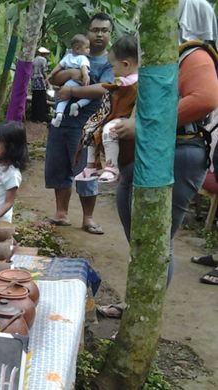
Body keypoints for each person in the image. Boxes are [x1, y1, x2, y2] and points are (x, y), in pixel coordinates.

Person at [108, 0, 218, 291]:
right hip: (157, 150)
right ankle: (134, 305)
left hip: (181, 150)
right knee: (144, 236)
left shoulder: (194, 54)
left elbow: (205, 98)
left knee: (156, 239)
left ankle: (142, 310)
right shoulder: (170, 57)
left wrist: (143, 124)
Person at [45, 13, 115, 235]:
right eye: (95, 30)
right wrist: (74, 73)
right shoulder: (71, 54)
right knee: (58, 163)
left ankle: (88, 218)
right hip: (61, 118)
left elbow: (105, 88)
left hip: (87, 122)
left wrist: (73, 89)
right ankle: (61, 213)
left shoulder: (108, 62)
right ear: (88, 32)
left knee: (85, 168)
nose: (99, 34)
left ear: (109, 35)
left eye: (104, 30)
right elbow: (54, 78)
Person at [76, 35, 140, 184]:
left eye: (113, 66)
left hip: (124, 117)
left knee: (109, 130)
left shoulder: (134, 82)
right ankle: (91, 166)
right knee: (90, 128)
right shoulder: (121, 81)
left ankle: (111, 167)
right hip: (112, 114)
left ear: (125, 64)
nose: (112, 70)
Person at [49, 34, 92, 127]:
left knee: (63, 98)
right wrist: (86, 76)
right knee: (89, 97)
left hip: (68, 83)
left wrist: (51, 74)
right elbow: (84, 67)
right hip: (78, 83)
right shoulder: (83, 58)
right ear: (77, 49)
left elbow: (58, 67)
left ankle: (59, 114)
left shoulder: (67, 57)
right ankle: (77, 105)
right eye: (87, 48)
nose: (89, 50)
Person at [30, 47, 51, 123]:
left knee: (35, 99)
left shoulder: (34, 59)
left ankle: (34, 117)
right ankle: (41, 117)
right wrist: (48, 82)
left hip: (34, 81)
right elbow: (44, 72)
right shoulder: (43, 60)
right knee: (41, 100)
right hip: (40, 81)